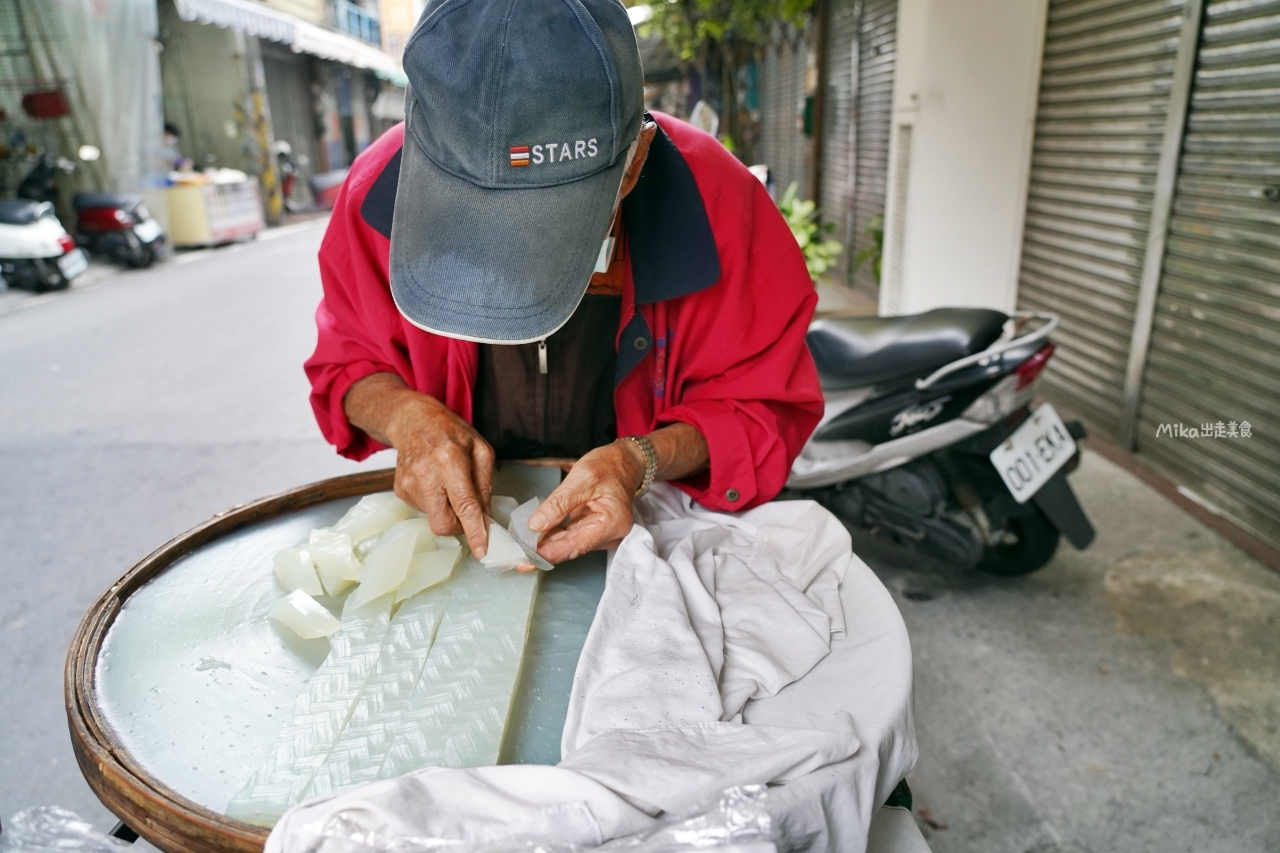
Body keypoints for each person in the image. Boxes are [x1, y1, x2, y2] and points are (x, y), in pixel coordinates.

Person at [305, 0, 823, 567]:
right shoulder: (376, 197)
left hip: (648, 527)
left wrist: (639, 460)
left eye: (546, 227)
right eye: (473, 219)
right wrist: (407, 419)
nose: (512, 265)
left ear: (633, 161)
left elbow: (764, 407)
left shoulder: (725, 211)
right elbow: (347, 365)